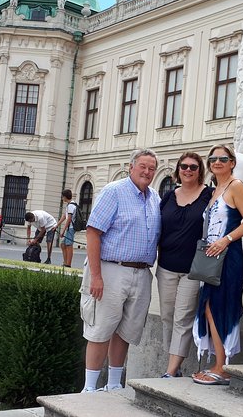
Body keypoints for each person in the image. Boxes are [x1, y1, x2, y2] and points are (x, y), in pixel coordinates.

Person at [80, 149, 161, 392]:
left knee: (126, 332)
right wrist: (96, 276)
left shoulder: (155, 197)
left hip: (141, 273)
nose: (147, 172)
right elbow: (93, 232)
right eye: (143, 167)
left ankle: (114, 384)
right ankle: (90, 388)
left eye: (151, 168)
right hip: (110, 270)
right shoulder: (114, 191)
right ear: (131, 167)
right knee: (100, 329)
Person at [192, 145, 243, 385]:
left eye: (223, 158)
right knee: (208, 306)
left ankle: (222, 367)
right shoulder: (215, 189)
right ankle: (219, 363)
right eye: (213, 159)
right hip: (212, 258)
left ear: (231, 163)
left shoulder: (235, 186)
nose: (217, 162)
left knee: (219, 306)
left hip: (228, 257)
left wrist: (226, 240)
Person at [157, 152, 212, 378]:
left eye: (193, 167)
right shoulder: (169, 197)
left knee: (183, 317)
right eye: (184, 166)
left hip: (193, 270)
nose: (188, 170)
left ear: (200, 171)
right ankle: (174, 366)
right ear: (178, 169)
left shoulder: (209, 195)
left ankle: (170, 371)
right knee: (167, 317)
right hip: (166, 267)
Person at [54, 189, 77, 268]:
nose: (62, 198)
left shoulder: (71, 206)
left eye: (62, 197)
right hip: (69, 228)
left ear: (65, 196)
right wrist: (57, 225)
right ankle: (65, 262)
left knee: (69, 245)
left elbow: (69, 219)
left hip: (70, 228)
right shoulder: (69, 205)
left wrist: (63, 231)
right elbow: (64, 216)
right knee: (63, 244)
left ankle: (68, 264)